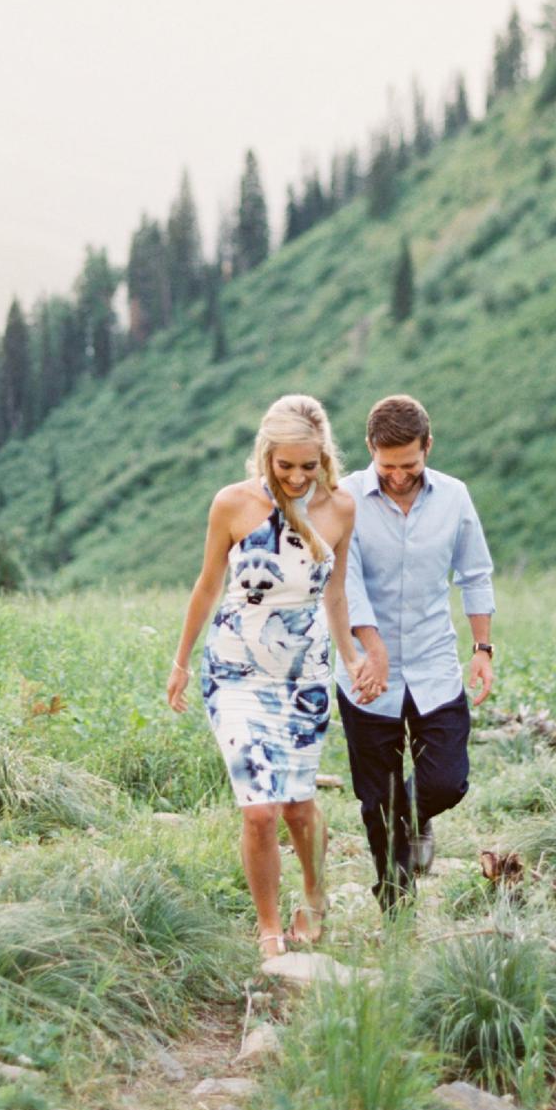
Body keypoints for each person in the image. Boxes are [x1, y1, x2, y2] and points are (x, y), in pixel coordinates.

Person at [166, 393, 377, 955]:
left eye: (308, 466)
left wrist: (351, 655)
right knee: (259, 810)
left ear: (324, 457)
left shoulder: (341, 508)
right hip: (233, 670)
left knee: (297, 805)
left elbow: (334, 591)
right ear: (266, 456)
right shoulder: (231, 505)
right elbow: (208, 585)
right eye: (285, 466)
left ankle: (314, 894)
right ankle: (267, 928)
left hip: (303, 674)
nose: (296, 477)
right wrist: (181, 660)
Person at [336, 394, 496, 910]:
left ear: (429, 446)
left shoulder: (454, 497)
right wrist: (372, 649)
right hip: (365, 670)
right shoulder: (344, 500)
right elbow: (344, 581)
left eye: (410, 464)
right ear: (370, 450)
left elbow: (475, 572)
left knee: (447, 782)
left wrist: (483, 648)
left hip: (433, 664)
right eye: (387, 466)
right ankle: (395, 909)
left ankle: (418, 814)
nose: (399, 476)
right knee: (377, 802)